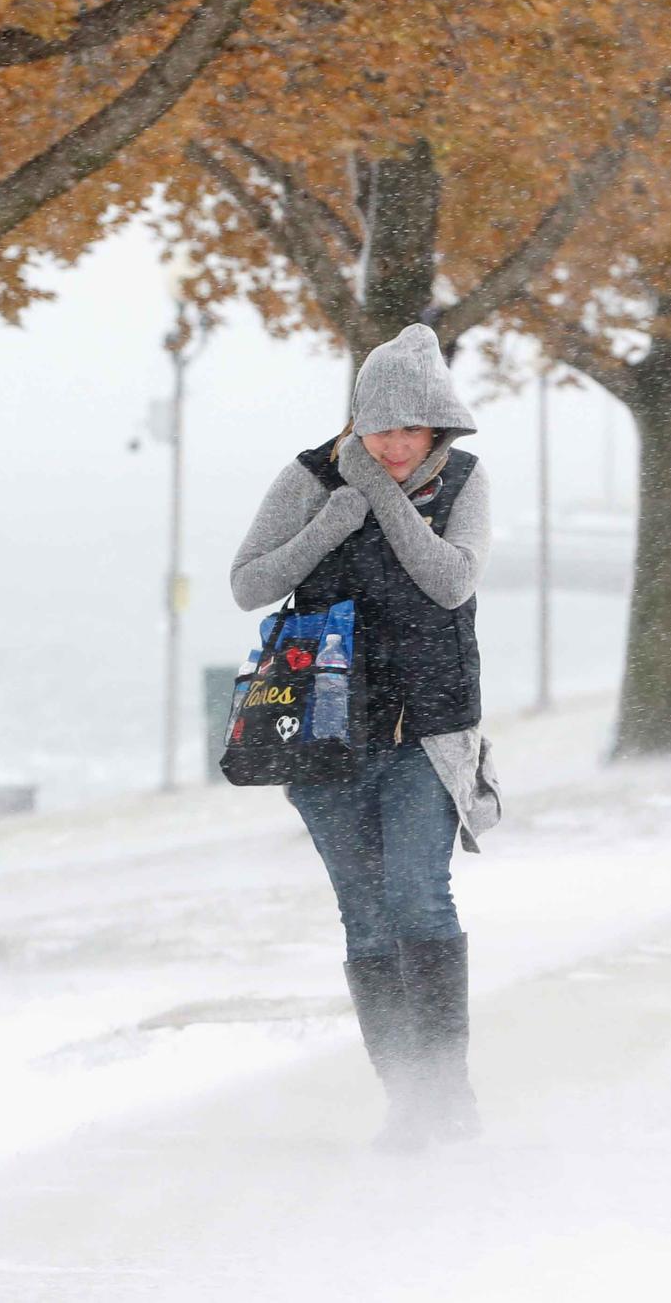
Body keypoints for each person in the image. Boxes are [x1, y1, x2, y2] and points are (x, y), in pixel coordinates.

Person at [230, 322, 500, 1153]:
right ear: (357, 421)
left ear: (437, 429)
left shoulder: (463, 483)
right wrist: (329, 521)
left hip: (427, 732)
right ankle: (408, 1098)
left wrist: (380, 501)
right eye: (378, 427)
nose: (392, 443)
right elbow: (249, 583)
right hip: (323, 734)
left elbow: (450, 582)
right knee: (364, 916)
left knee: (418, 894)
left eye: (409, 429)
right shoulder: (309, 478)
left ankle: (447, 1087)